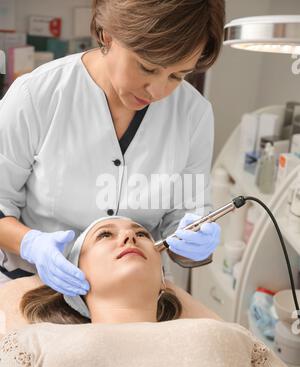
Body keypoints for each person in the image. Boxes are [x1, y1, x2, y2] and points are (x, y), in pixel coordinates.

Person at [0, 0, 224, 296]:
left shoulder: (193, 114)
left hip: (132, 296)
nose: (158, 92)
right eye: (147, 67)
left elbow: (184, 220)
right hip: (34, 287)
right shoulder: (37, 96)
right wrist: (32, 245)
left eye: (177, 76)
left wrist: (193, 243)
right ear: (108, 34)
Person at [0, 216, 299, 367]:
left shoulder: (233, 335)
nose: (130, 235)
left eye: (142, 234)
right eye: (105, 235)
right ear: (74, 275)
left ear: (161, 279)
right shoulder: (34, 342)